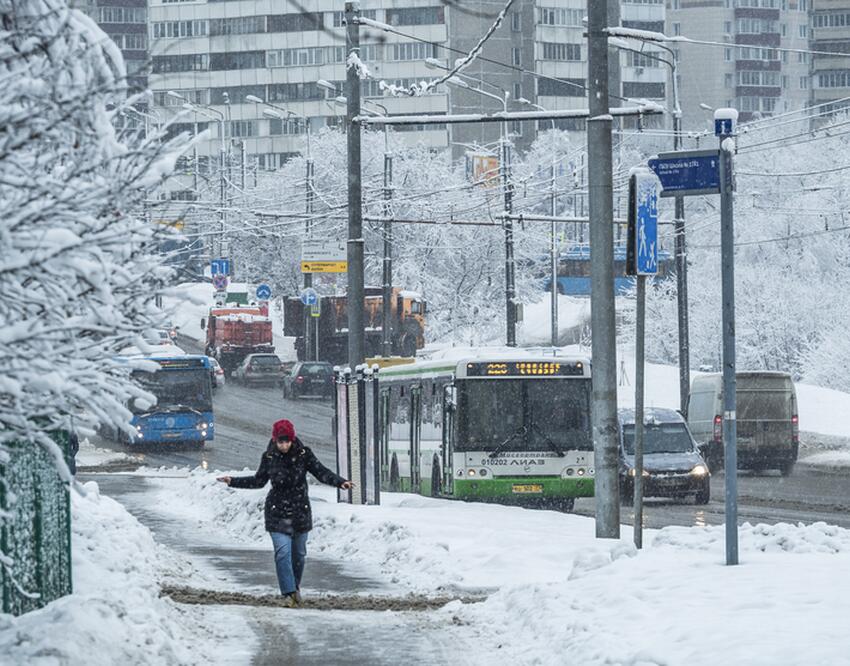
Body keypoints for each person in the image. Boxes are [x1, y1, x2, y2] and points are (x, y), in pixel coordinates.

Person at [217, 419, 353, 608]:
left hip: (300, 511)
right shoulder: (269, 457)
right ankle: (288, 593)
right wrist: (232, 481)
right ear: (275, 440)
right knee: (283, 552)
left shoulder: (304, 454)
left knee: (299, 555)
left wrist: (340, 482)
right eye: (280, 442)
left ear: (292, 438)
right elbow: (258, 481)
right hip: (277, 511)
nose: (284, 445)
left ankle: (294, 587)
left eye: (287, 441)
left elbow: (321, 472)